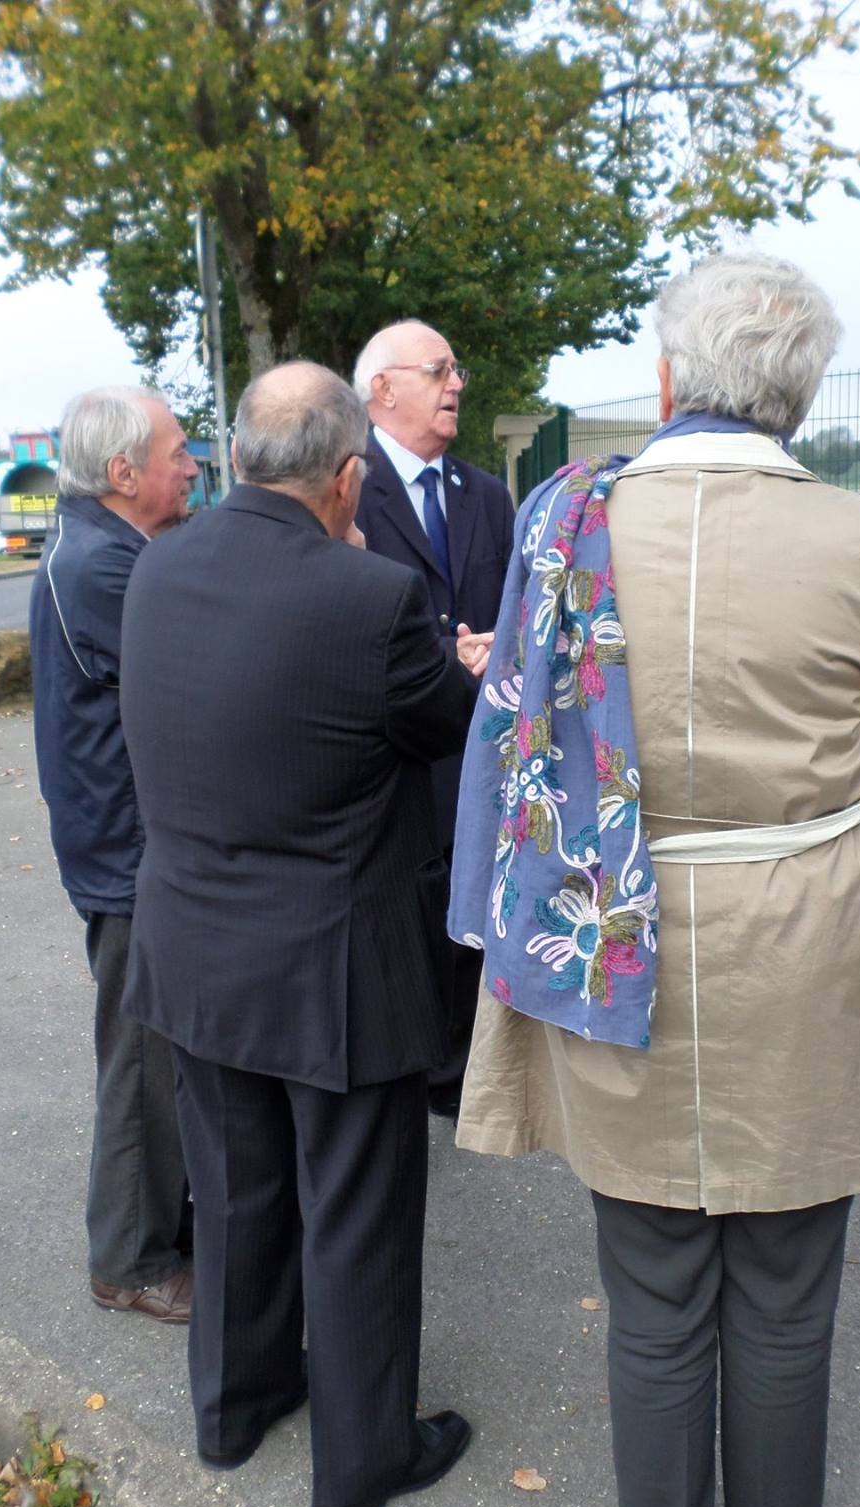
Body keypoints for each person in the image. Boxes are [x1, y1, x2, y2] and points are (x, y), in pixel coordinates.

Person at [451, 253, 860, 1507]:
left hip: (614, 934)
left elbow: (516, 729)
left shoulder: (566, 521)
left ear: (669, 380)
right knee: (785, 1296)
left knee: (654, 1294)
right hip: (801, 936)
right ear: (791, 398)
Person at [118, 361, 492, 1507]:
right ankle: (363, 1459)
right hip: (333, 968)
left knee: (232, 1199)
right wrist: (465, 670)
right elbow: (438, 728)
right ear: (344, 478)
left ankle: (233, 1407)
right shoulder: (368, 597)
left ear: (235, 460)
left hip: (194, 953)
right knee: (356, 1213)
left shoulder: (155, 565)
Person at [28, 384, 199, 1325]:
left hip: (129, 848)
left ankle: (161, 1232)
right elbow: (195, 670)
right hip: (129, 861)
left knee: (161, 1057)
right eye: (176, 451)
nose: (192, 464)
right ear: (124, 471)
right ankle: (128, 1261)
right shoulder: (104, 566)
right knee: (140, 1067)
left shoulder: (111, 549)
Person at [352, 320, 518, 1116]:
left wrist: (496, 648)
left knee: (468, 901)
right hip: (387, 748)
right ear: (384, 388)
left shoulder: (485, 494)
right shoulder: (347, 488)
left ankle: (456, 1072)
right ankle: (404, 1065)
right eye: (440, 370)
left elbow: (512, 608)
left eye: (457, 370)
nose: (457, 384)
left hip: (473, 744)